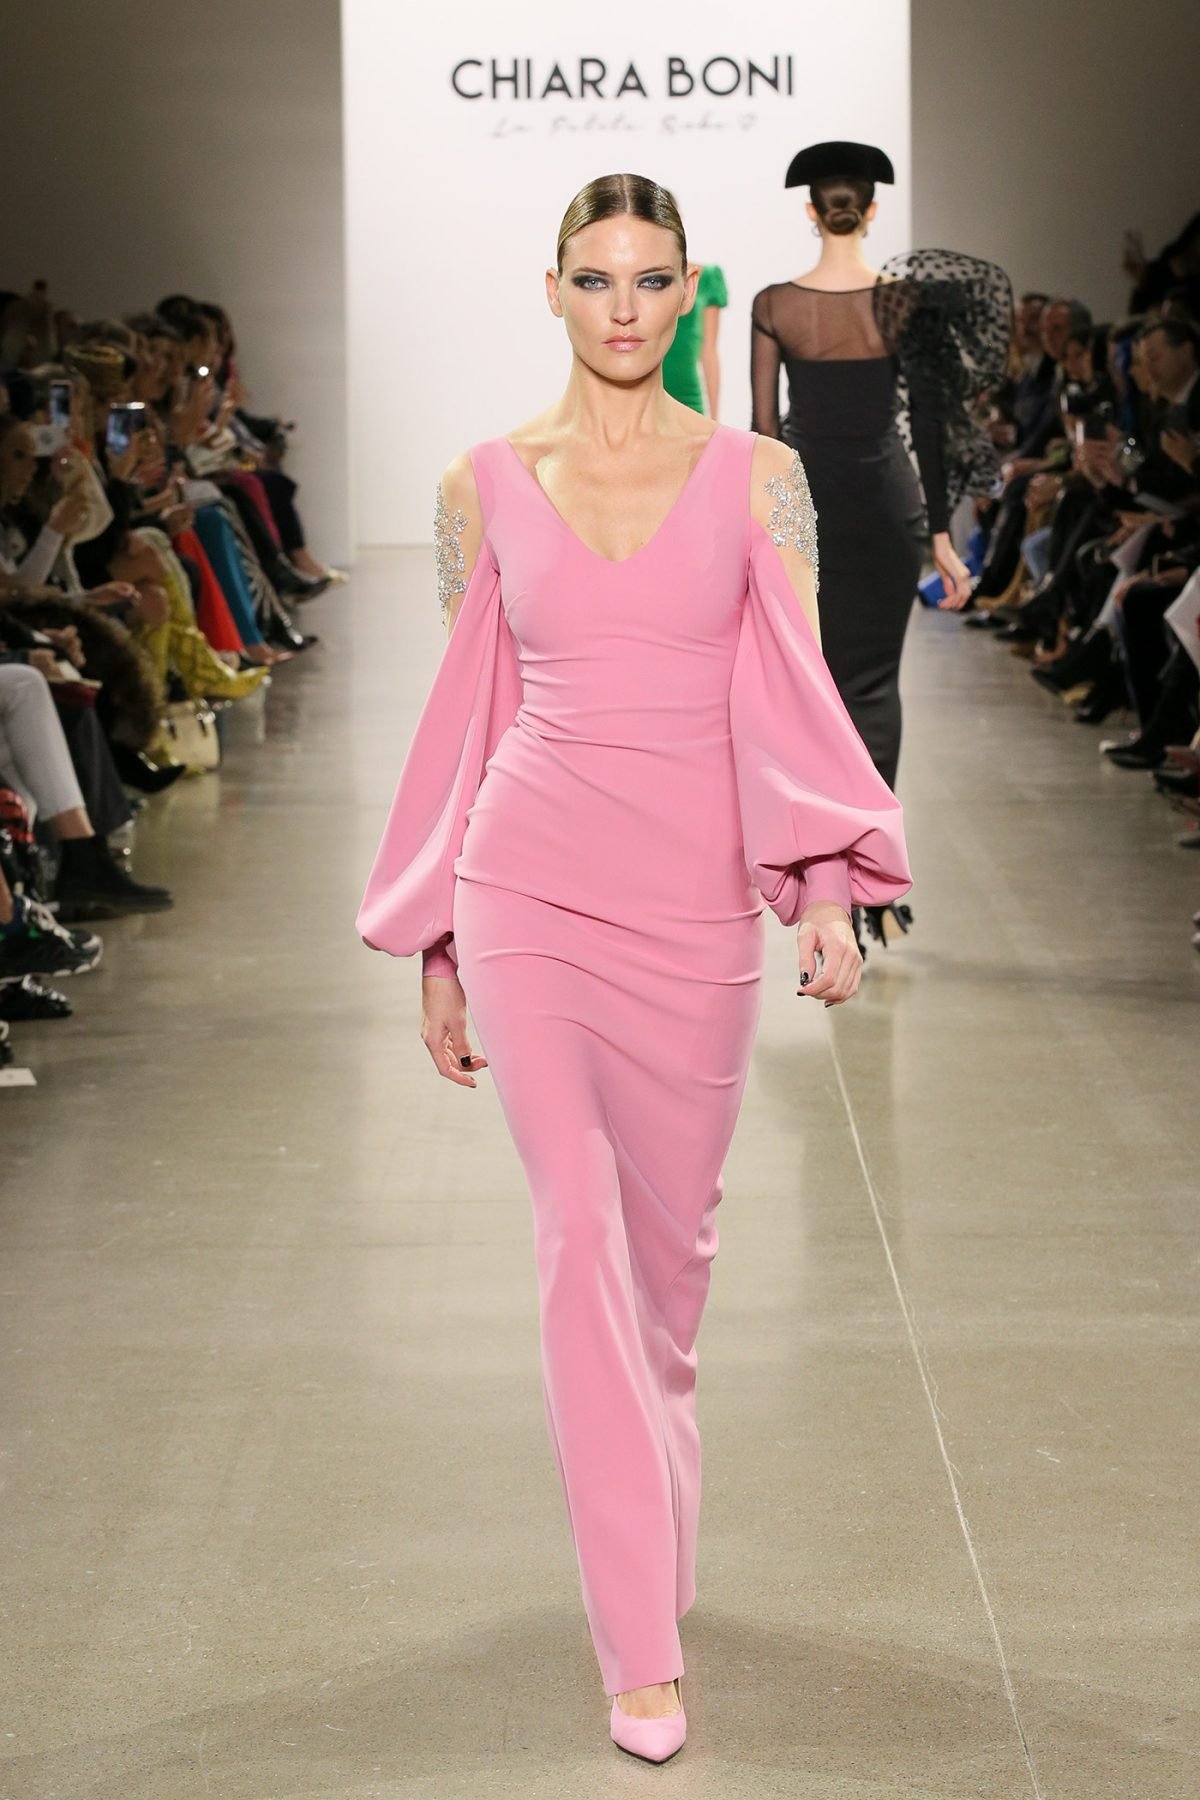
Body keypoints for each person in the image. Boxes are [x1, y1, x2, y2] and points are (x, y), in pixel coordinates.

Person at [357, 172, 912, 1763]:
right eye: (594, 278)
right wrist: (440, 940)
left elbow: (792, 691)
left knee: (670, 1280)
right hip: (527, 882)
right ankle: (637, 1645)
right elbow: (468, 710)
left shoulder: (760, 477)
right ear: (551, 291)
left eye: (650, 280)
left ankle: (656, 1534)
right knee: (578, 1240)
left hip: (690, 902)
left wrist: (822, 887)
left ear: (686, 297)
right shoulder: (481, 483)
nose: (622, 307)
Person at [750, 141, 1011, 948]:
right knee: (872, 688)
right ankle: (871, 881)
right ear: (869, 211)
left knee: (814, 692)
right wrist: (941, 537)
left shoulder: (774, 305)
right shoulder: (907, 305)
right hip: (887, 506)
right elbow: (927, 426)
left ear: (812, 212)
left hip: (806, 511)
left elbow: (763, 432)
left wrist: (760, 532)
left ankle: (825, 881)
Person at [661, 261, 728, 416]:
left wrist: (714, 417)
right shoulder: (640, 274)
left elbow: (709, 351)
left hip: (688, 394)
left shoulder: (707, 278)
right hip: (642, 395)